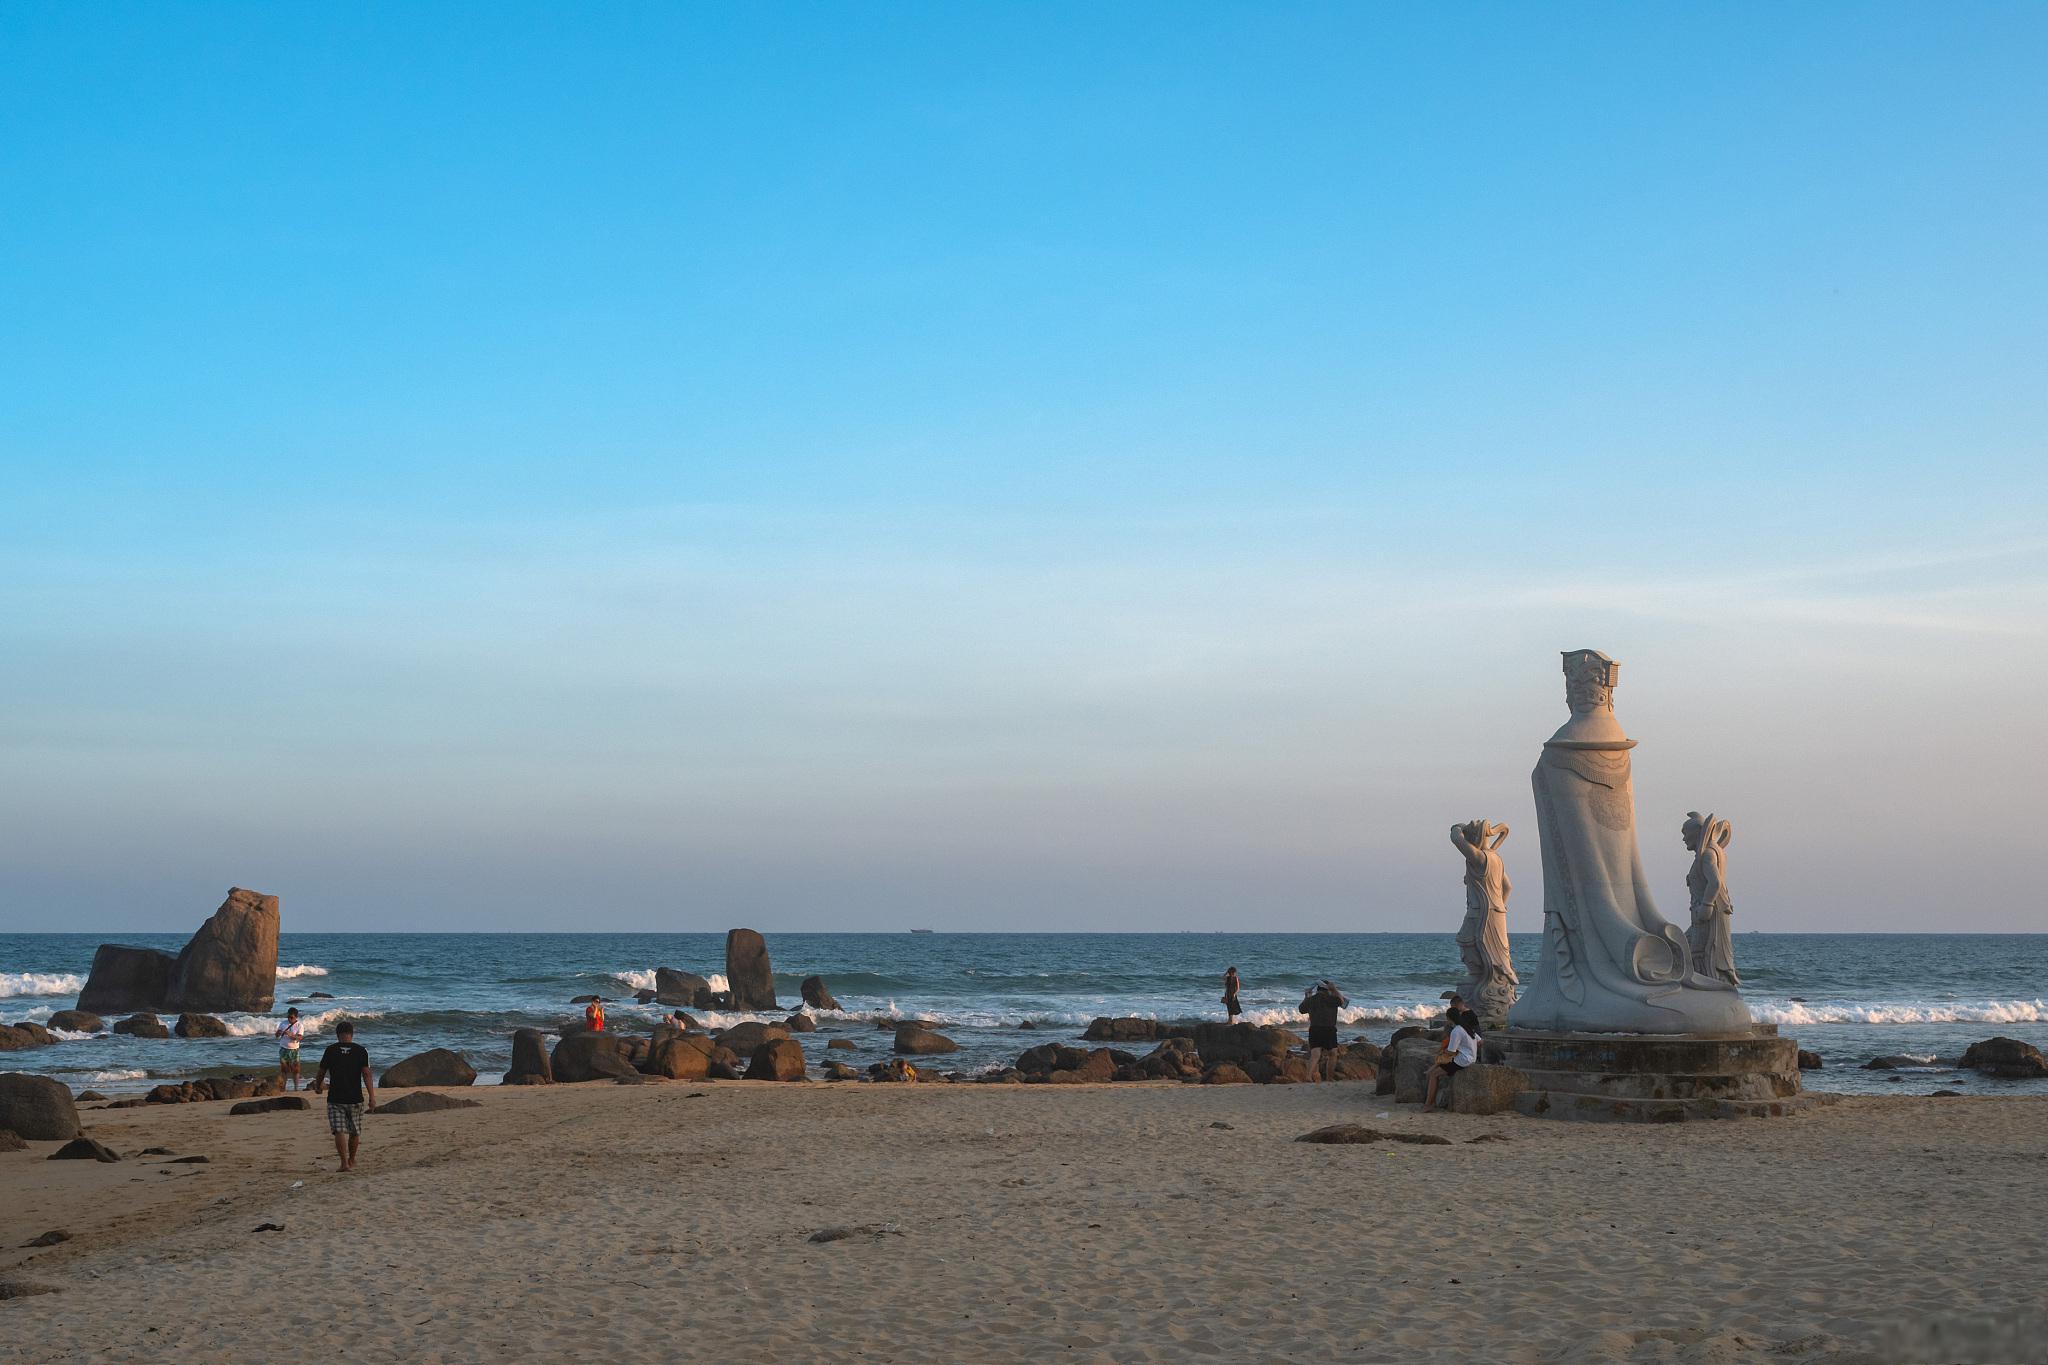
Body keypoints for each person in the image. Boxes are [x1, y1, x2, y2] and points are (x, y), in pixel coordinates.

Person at [311, 1020, 375, 1172]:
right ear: (352, 1034)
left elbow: (321, 1071)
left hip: (336, 1097)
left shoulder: (331, 1050)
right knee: (354, 1131)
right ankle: (352, 1160)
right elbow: (366, 1074)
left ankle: (344, 1163)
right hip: (355, 1098)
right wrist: (372, 1096)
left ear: (337, 1035)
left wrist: (318, 1086)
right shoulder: (361, 1051)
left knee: (338, 1131)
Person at [1424, 1006, 1481, 1111]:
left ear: (1449, 1019)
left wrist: (1443, 1051)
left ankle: (1428, 1104)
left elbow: (1451, 1052)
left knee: (1434, 1075)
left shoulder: (1456, 1031)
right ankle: (1430, 1070)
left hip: (1462, 1060)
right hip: (1470, 1058)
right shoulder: (1467, 1027)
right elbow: (1480, 1041)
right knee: (1439, 1064)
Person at [1298, 979, 1347, 1082]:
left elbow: (1301, 1009)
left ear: (1318, 989)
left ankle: (1308, 1076)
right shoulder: (1331, 998)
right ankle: (1329, 1078)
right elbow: (1342, 1002)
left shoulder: (1311, 999)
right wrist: (1335, 989)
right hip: (1329, 1029)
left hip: (1314, 1029)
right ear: (1327, 989)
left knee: (1315, 1055)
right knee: (1332, 1054)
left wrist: (1306, 996)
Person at [274, 1007, 305, 1091]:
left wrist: (290, 1035)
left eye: (291, 1017)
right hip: (283, 1049)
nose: (289, 1019)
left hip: (294, 1050)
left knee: (296, 1070)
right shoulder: (283, 1023)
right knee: (284, 1070)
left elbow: (300, 1038)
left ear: (296, 1017)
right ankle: (283, 1088)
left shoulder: (299, 1025)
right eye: (288, 1017)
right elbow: (276, 1036)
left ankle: (296, 1088)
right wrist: (278, 1033)